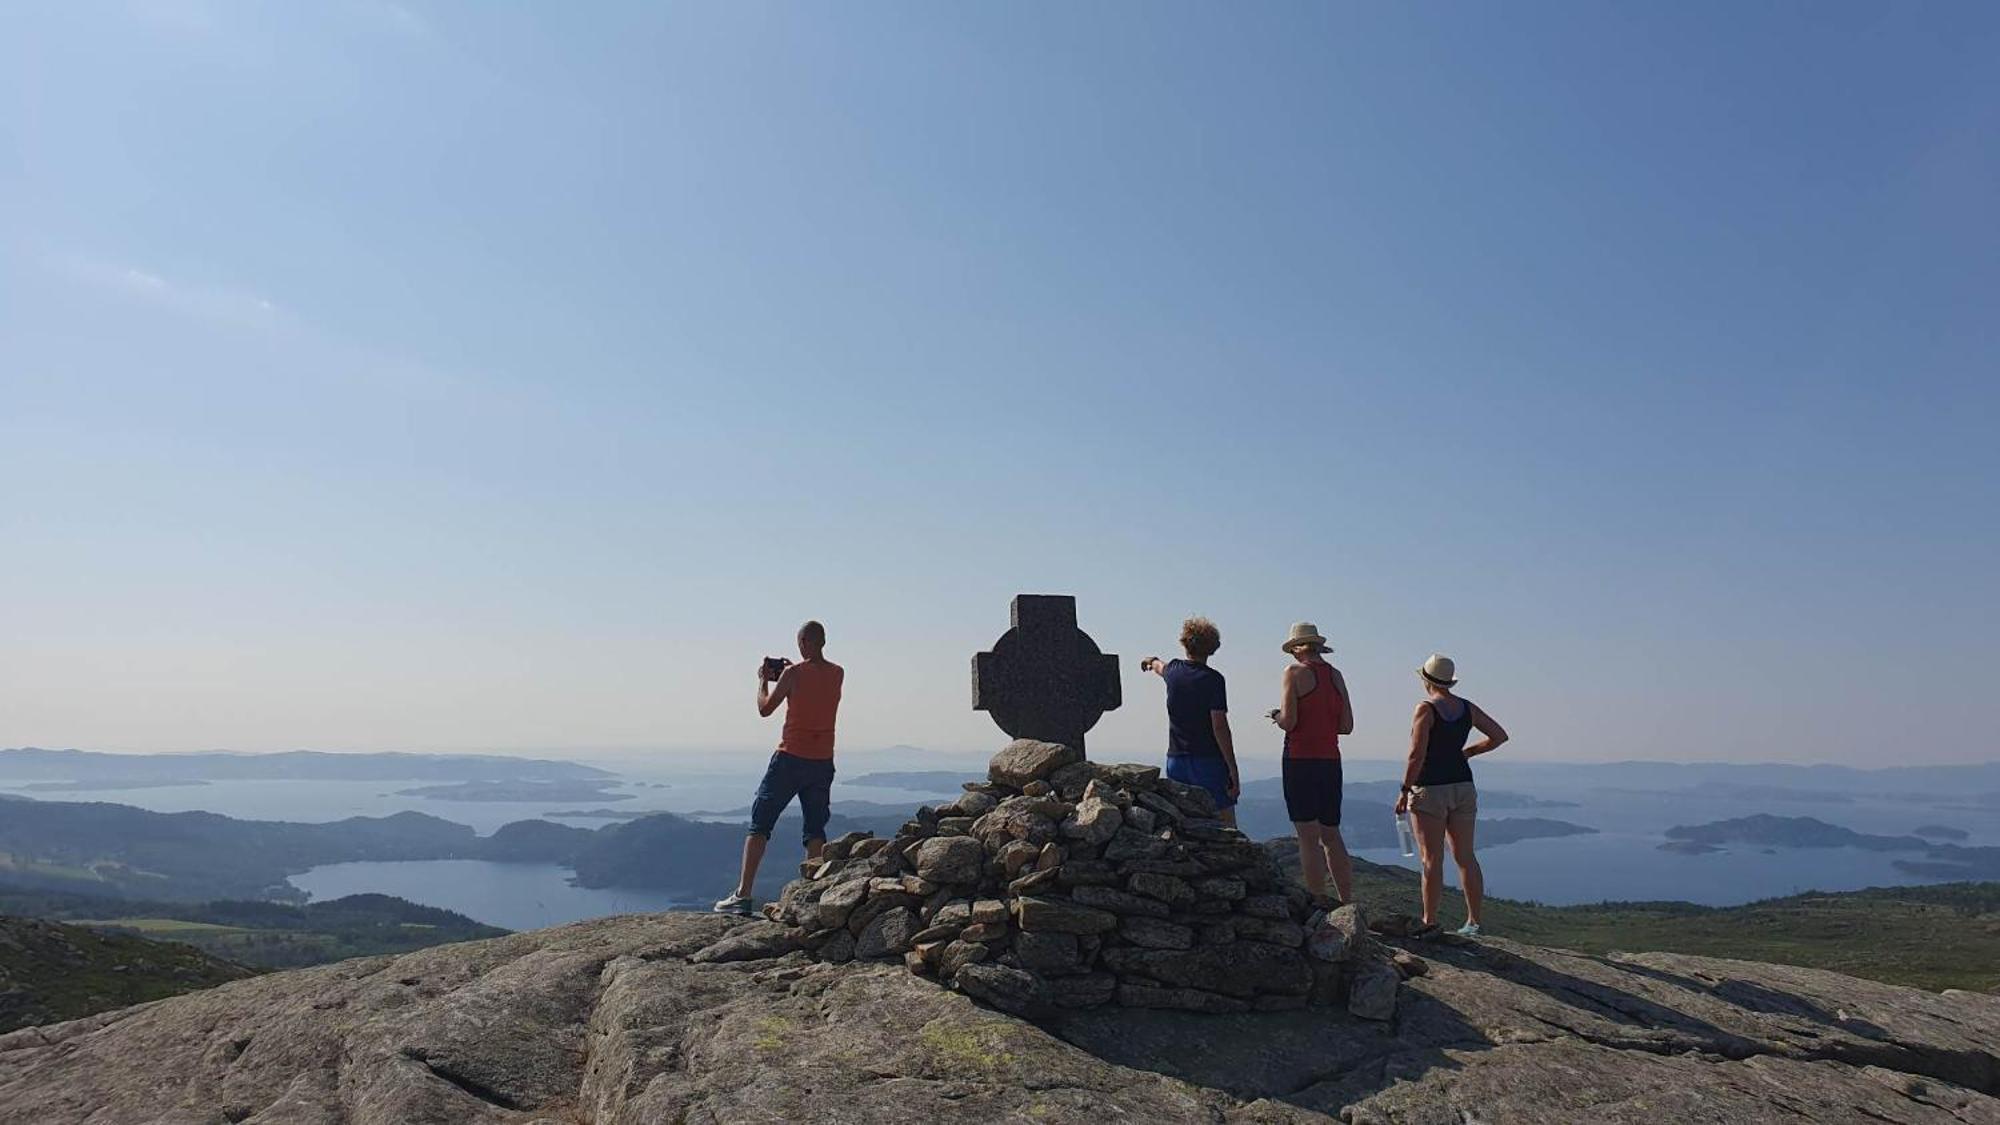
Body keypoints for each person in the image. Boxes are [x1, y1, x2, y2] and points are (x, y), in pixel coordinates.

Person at [714, 620, 844, 916]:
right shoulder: (838, 673)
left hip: (790, 758)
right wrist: (790, 670)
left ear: (802, 643)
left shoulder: (792, 674)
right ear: (823, 642)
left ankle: (742, 895)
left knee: (760, 822)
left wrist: (763, 680)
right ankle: (812, 894)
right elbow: (814, 681)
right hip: (822, 761)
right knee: (815, 828)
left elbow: (765, 709)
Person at [1394, 653, 1509, 938]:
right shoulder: (1467, 708)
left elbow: (1416, 753)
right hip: (1462, 786)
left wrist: (1405, 790)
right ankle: (1474, 922)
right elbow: (1499, 735)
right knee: (1465, 856)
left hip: (1430, 789)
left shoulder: (1425, 708)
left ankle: (1429, 921)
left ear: (1426, 680)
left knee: (1431, 859)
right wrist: (1467, 753)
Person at [1270, 621, 1354, 907]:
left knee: (1307, 836)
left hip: (1299, 759)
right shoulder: (1336, 675)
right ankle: (1348, 902)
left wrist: (1276, 716)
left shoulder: (1293, 673)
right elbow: (1347, 726)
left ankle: (1318, 902)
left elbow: (1290, 721)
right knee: (1331, 834)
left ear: (1297, 648)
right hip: (1331, 761)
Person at [1140, 617, 1239, 825]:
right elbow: (1219, 725)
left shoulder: (1173, 671)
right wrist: (1232, 768)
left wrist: (1151, 661)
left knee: (1184, 822)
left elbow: (1159, 666)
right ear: (1212, 648)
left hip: (1176, 760)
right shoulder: (1214, 679)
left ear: (1185, 643)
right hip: (1208, 760)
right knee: (1226, 824)